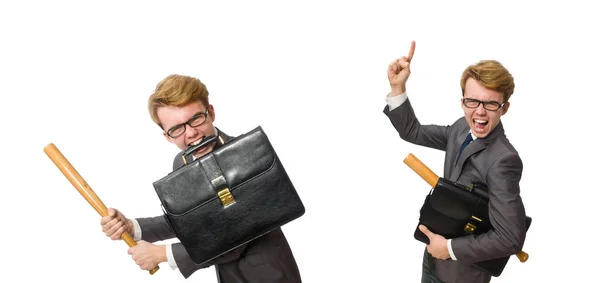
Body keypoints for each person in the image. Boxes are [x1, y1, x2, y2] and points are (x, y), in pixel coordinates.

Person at [100, 74, 302, 283]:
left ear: (211, 112)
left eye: (196, 118)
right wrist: (132, 227)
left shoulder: (247, 154)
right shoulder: (182, 164)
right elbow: (190, 222)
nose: (192, 134)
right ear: (167, 136)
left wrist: (163, 254)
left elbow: (237, 234)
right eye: (177, 129)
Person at [383, 41, 527, 283]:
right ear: (463, 101)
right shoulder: (461, 129)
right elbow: (412, 131)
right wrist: (398, 87)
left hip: (462, 274)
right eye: (473, 101)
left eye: (491, 103)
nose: (480, 112)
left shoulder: (504, 161)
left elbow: (510, 238)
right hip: (432, 254)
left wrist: (449, 249)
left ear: (505, 108)